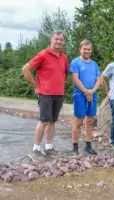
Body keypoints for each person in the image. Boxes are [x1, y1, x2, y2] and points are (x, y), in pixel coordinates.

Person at [22, 31, 68, 161]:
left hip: (59, 94)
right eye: (56, 39)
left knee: (52, 121)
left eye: (61, 40)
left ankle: (48, 147)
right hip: (45, 94)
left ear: (63, 42)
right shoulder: (43, 55)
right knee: (44, 121)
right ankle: (36, 149)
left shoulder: (64, 57)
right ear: (51, 39)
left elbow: (63, 73)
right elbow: (26, 69)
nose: (59, 42)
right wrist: (36, 86)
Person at [69, 40, 101, 155]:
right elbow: (75, 79)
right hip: (80, 95)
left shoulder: (94, 64)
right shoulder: (75, 62)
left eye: (89, 49)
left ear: (91, 50)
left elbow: (99, 79)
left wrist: (92, 91)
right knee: (78, 121)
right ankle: (75, 147)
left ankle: (88, 145)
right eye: (84, 49)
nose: (86, 51)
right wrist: (86, 92)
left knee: (91, 120)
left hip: (93, 94)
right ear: (80, 49)